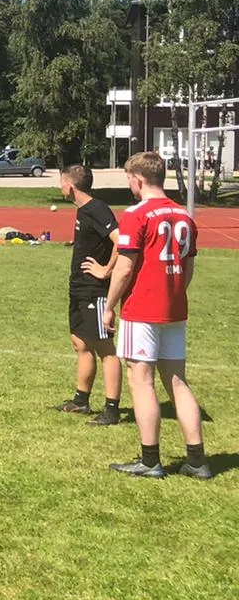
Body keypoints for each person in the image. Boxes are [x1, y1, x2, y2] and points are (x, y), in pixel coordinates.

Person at [104, 151, 211, 480]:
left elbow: (125, 268)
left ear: (138, 179)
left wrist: (109, 306)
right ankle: (197, 460)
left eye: (129, 180)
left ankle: (150, 460)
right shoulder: (184, 215)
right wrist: (175, 292)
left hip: (142, 308)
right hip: (175, 308)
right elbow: (188, 267)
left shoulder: (136, 214)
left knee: (141, 381)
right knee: (177, 381)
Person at [54, 165, 122, 423]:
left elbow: (121, 241)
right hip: (79, 288)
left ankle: (112, 409)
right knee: (80, 343)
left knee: (105, 348)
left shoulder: (97, 208)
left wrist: (106, 270)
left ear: (70, 186)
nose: (59, 187)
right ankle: (81, 401)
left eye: (61, 183)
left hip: (95, 290)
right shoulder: (83, 210)